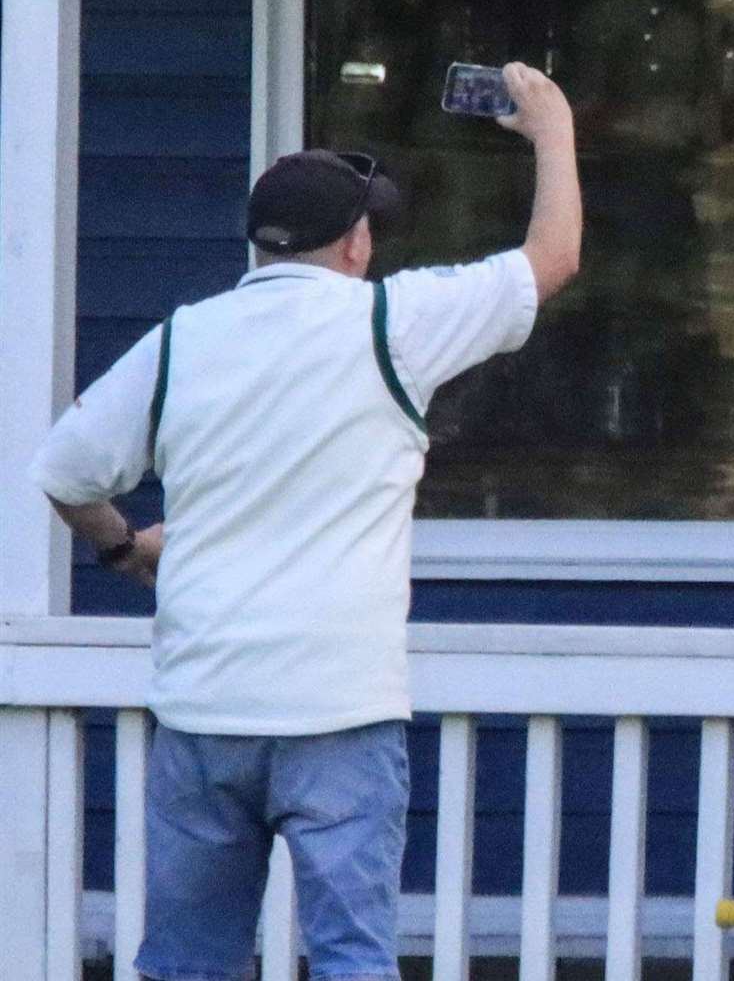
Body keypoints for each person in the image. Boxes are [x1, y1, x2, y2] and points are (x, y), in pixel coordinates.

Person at [27, 63, 581, 981]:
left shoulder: (181, 341)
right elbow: (551, 261)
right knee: (350, 962)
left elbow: (63, 471)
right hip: (339, 712)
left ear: (261, 246)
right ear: (357, 244)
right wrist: (554, 133)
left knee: (184, 965)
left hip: (205, 708)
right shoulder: (391, 327)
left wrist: (126, 548)